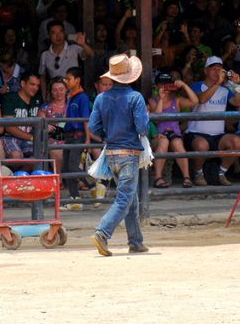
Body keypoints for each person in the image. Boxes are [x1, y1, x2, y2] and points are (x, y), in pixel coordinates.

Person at [89, 54, 150, 257]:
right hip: (129, 152)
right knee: (125, 197)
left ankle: (136, 241)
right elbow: (142, 128)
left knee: (130, 198)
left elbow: (93, 127)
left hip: (111, 152)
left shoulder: (101, 98)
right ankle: (103, 232)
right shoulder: (135, 98)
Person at [186, 56, 240, 186]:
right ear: (206, 71)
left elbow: (238, 102)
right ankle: (198, 173)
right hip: (197, 133)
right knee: (201, 146)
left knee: (237, 142)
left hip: (218, 134)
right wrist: (218, 83)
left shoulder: (226, 89)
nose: (217, 72)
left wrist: (236, 85)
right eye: (214, 69)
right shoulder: (197, 85)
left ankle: (221, 173)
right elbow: (202, 99)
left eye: (220, 69)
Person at [150, 72, 199, 189]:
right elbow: (157, 118)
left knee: (177, 144)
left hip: (174, 134)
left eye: (167, 85)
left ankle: (186, 177)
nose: (165, 87)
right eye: (162, 85)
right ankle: (158, 178)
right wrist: (161, 99)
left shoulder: (176, 100)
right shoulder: (153, 101)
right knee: (164, 142)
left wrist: (184, 86)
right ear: (156, 86)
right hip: (159, 136)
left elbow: (195, 102)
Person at [61, 68, 92, 204]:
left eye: (69, 79)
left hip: (78, 135)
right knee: (66, 168)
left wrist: (87, 138)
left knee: (73, 166)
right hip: (69, 135)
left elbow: (85, 119)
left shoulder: (82, 97)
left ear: (77, 80)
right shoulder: (71, 96)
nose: (66, 81)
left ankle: (93, 184)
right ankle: (75, 197)